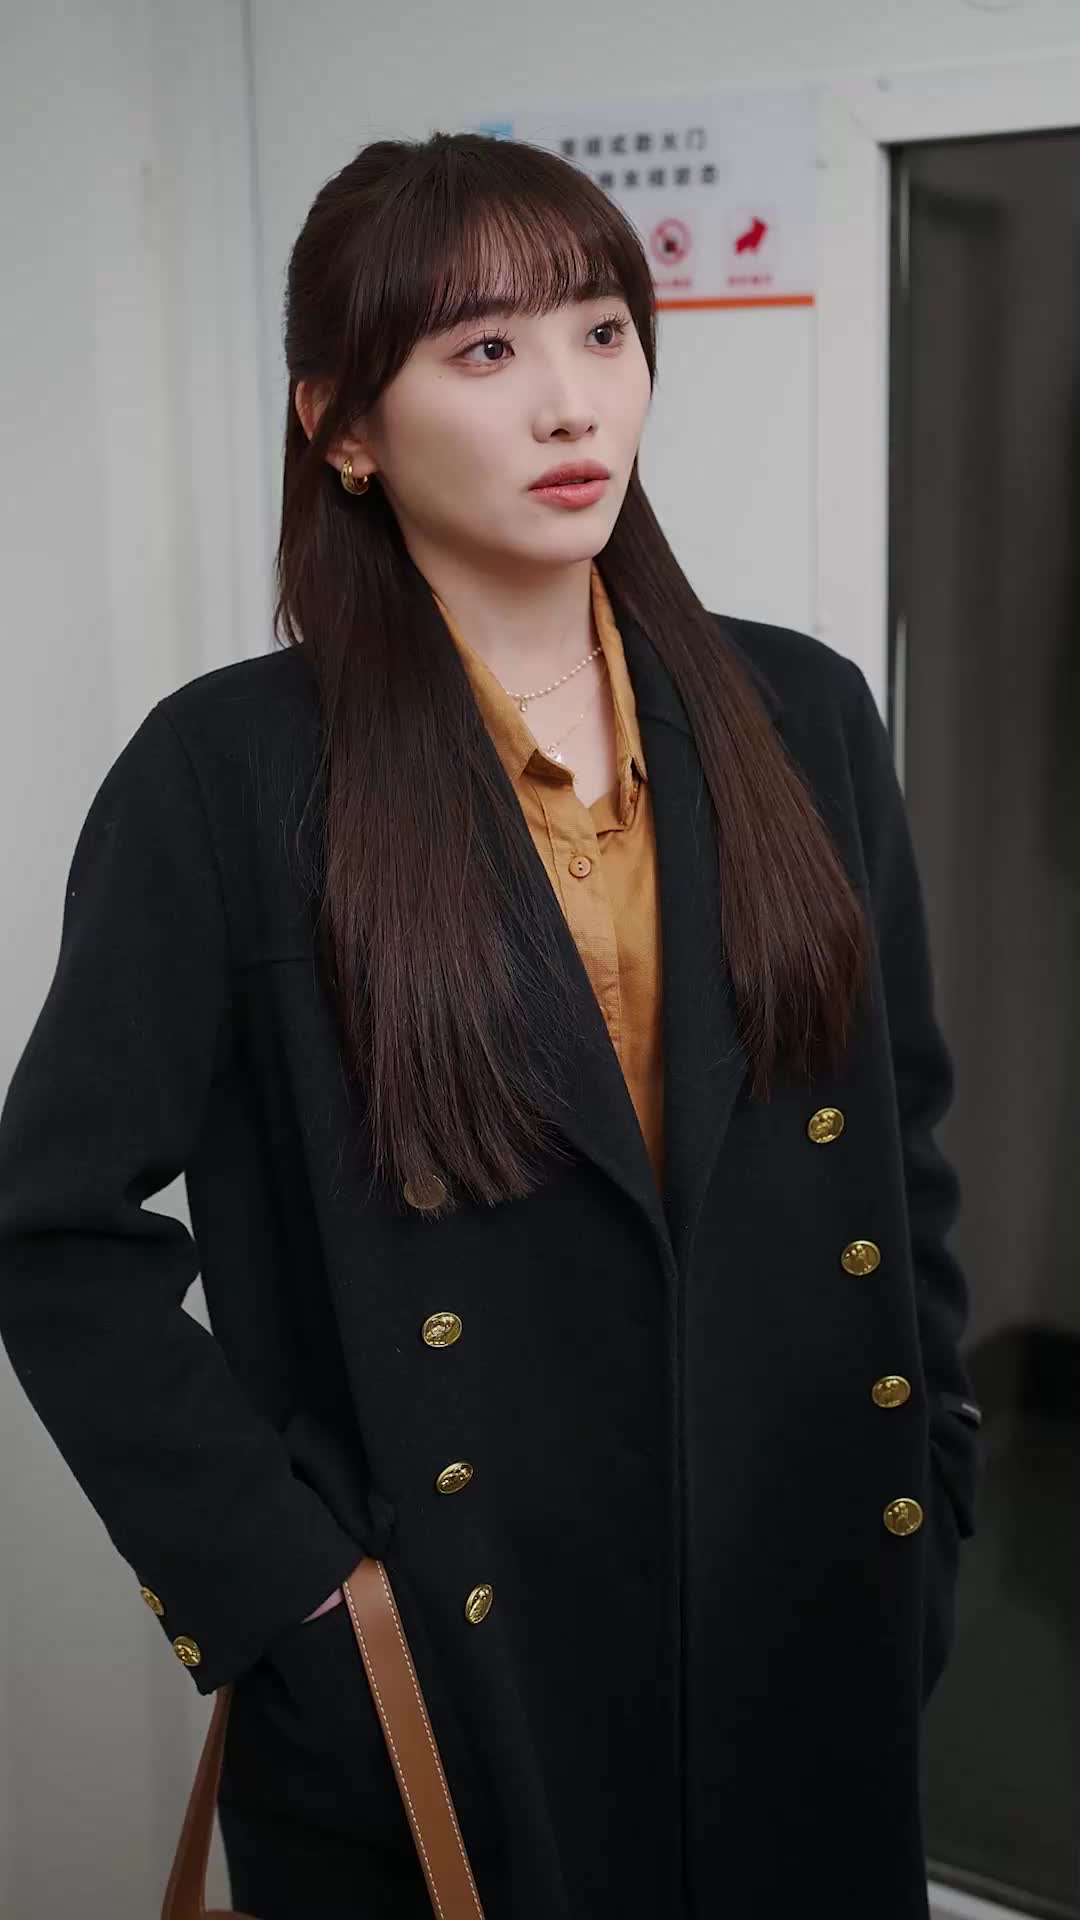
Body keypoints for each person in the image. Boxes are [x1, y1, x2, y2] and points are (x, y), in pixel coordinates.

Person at [0, 130, 983, 1920]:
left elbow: (898, 1142)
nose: (569, 401)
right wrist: (287, 1593)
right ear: (340, 426)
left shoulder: (802, 711)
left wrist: (935, 1475)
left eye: (601, 331)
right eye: (484, 349)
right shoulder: (229, 777)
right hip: (447, 1664)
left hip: (802, 1597)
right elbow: (49, 1228)